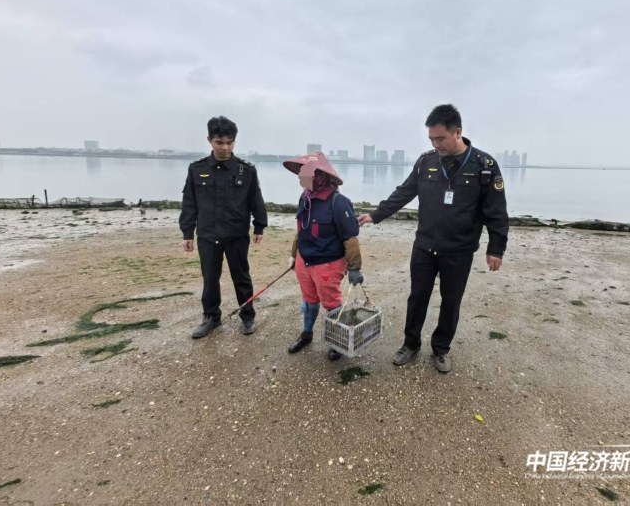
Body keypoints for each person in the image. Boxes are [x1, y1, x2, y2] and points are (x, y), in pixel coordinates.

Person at [358, 104, 508, 373]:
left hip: (459, 250)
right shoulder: (426, 161)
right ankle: (410, 344)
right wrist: (377, 215)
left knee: (451, 301)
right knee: (417, 297)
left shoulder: (484, 166)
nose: (436, 144)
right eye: (431, 139)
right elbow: (404, 192)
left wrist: (496, 248)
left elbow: (496, 211)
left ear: (458, 132)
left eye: (441, 139)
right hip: (425, 246)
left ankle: (441, 349)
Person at [179, 116, 268, 339]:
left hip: (236, 234)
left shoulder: (246, 170)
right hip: (208, 235)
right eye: (220, 142)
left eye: (230, 142)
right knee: (210, 278)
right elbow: (189, 202)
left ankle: (247, 315)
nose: (225, 148)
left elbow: (255, 199)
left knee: (241, 277)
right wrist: (187, 232)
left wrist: (259, 226)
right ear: (209, 140)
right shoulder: (196, 169)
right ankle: (211, 317)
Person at [283, 152, 363, 360]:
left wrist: (354, 268)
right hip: (304, 261)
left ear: (320, 176)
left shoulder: (338, 202)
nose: (301, 177)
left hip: (328, 264)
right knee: (309, 300)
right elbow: (301, 230)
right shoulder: (305, 198)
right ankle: (306, 334)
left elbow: (350, 237)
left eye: (306, 173)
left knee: (332, 303)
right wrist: (293, 255)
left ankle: (338, 341)